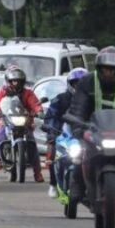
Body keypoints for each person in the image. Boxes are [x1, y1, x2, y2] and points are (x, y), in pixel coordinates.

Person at [67, 46, 115, 211]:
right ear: (99, 68)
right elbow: (78, 106)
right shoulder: (87, 82)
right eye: (105, 69)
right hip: (91, 128)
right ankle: (77, 185)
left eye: (113, 70)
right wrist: (77, 125)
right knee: (78, 153)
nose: (109, 73)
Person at [0, 66, 44, 181]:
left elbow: (35, 104)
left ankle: (37, 172)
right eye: (13, 81)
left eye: (18, 81)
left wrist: (39, 111)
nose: (16, 84)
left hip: (24, 122)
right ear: (8, 81)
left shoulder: (28, 93)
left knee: (32, 144)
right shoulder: (2, 92)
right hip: (6, 121)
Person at [42, 68, 88, 197]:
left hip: (87, 135)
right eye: (76, 83)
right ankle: (53, 183)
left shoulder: (93, 100)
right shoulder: (61, 99)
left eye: (82, 84)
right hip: (64, 133)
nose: (79, 87)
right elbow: (51, 116)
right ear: (70, 84)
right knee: (52, 149)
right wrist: (51, 130)